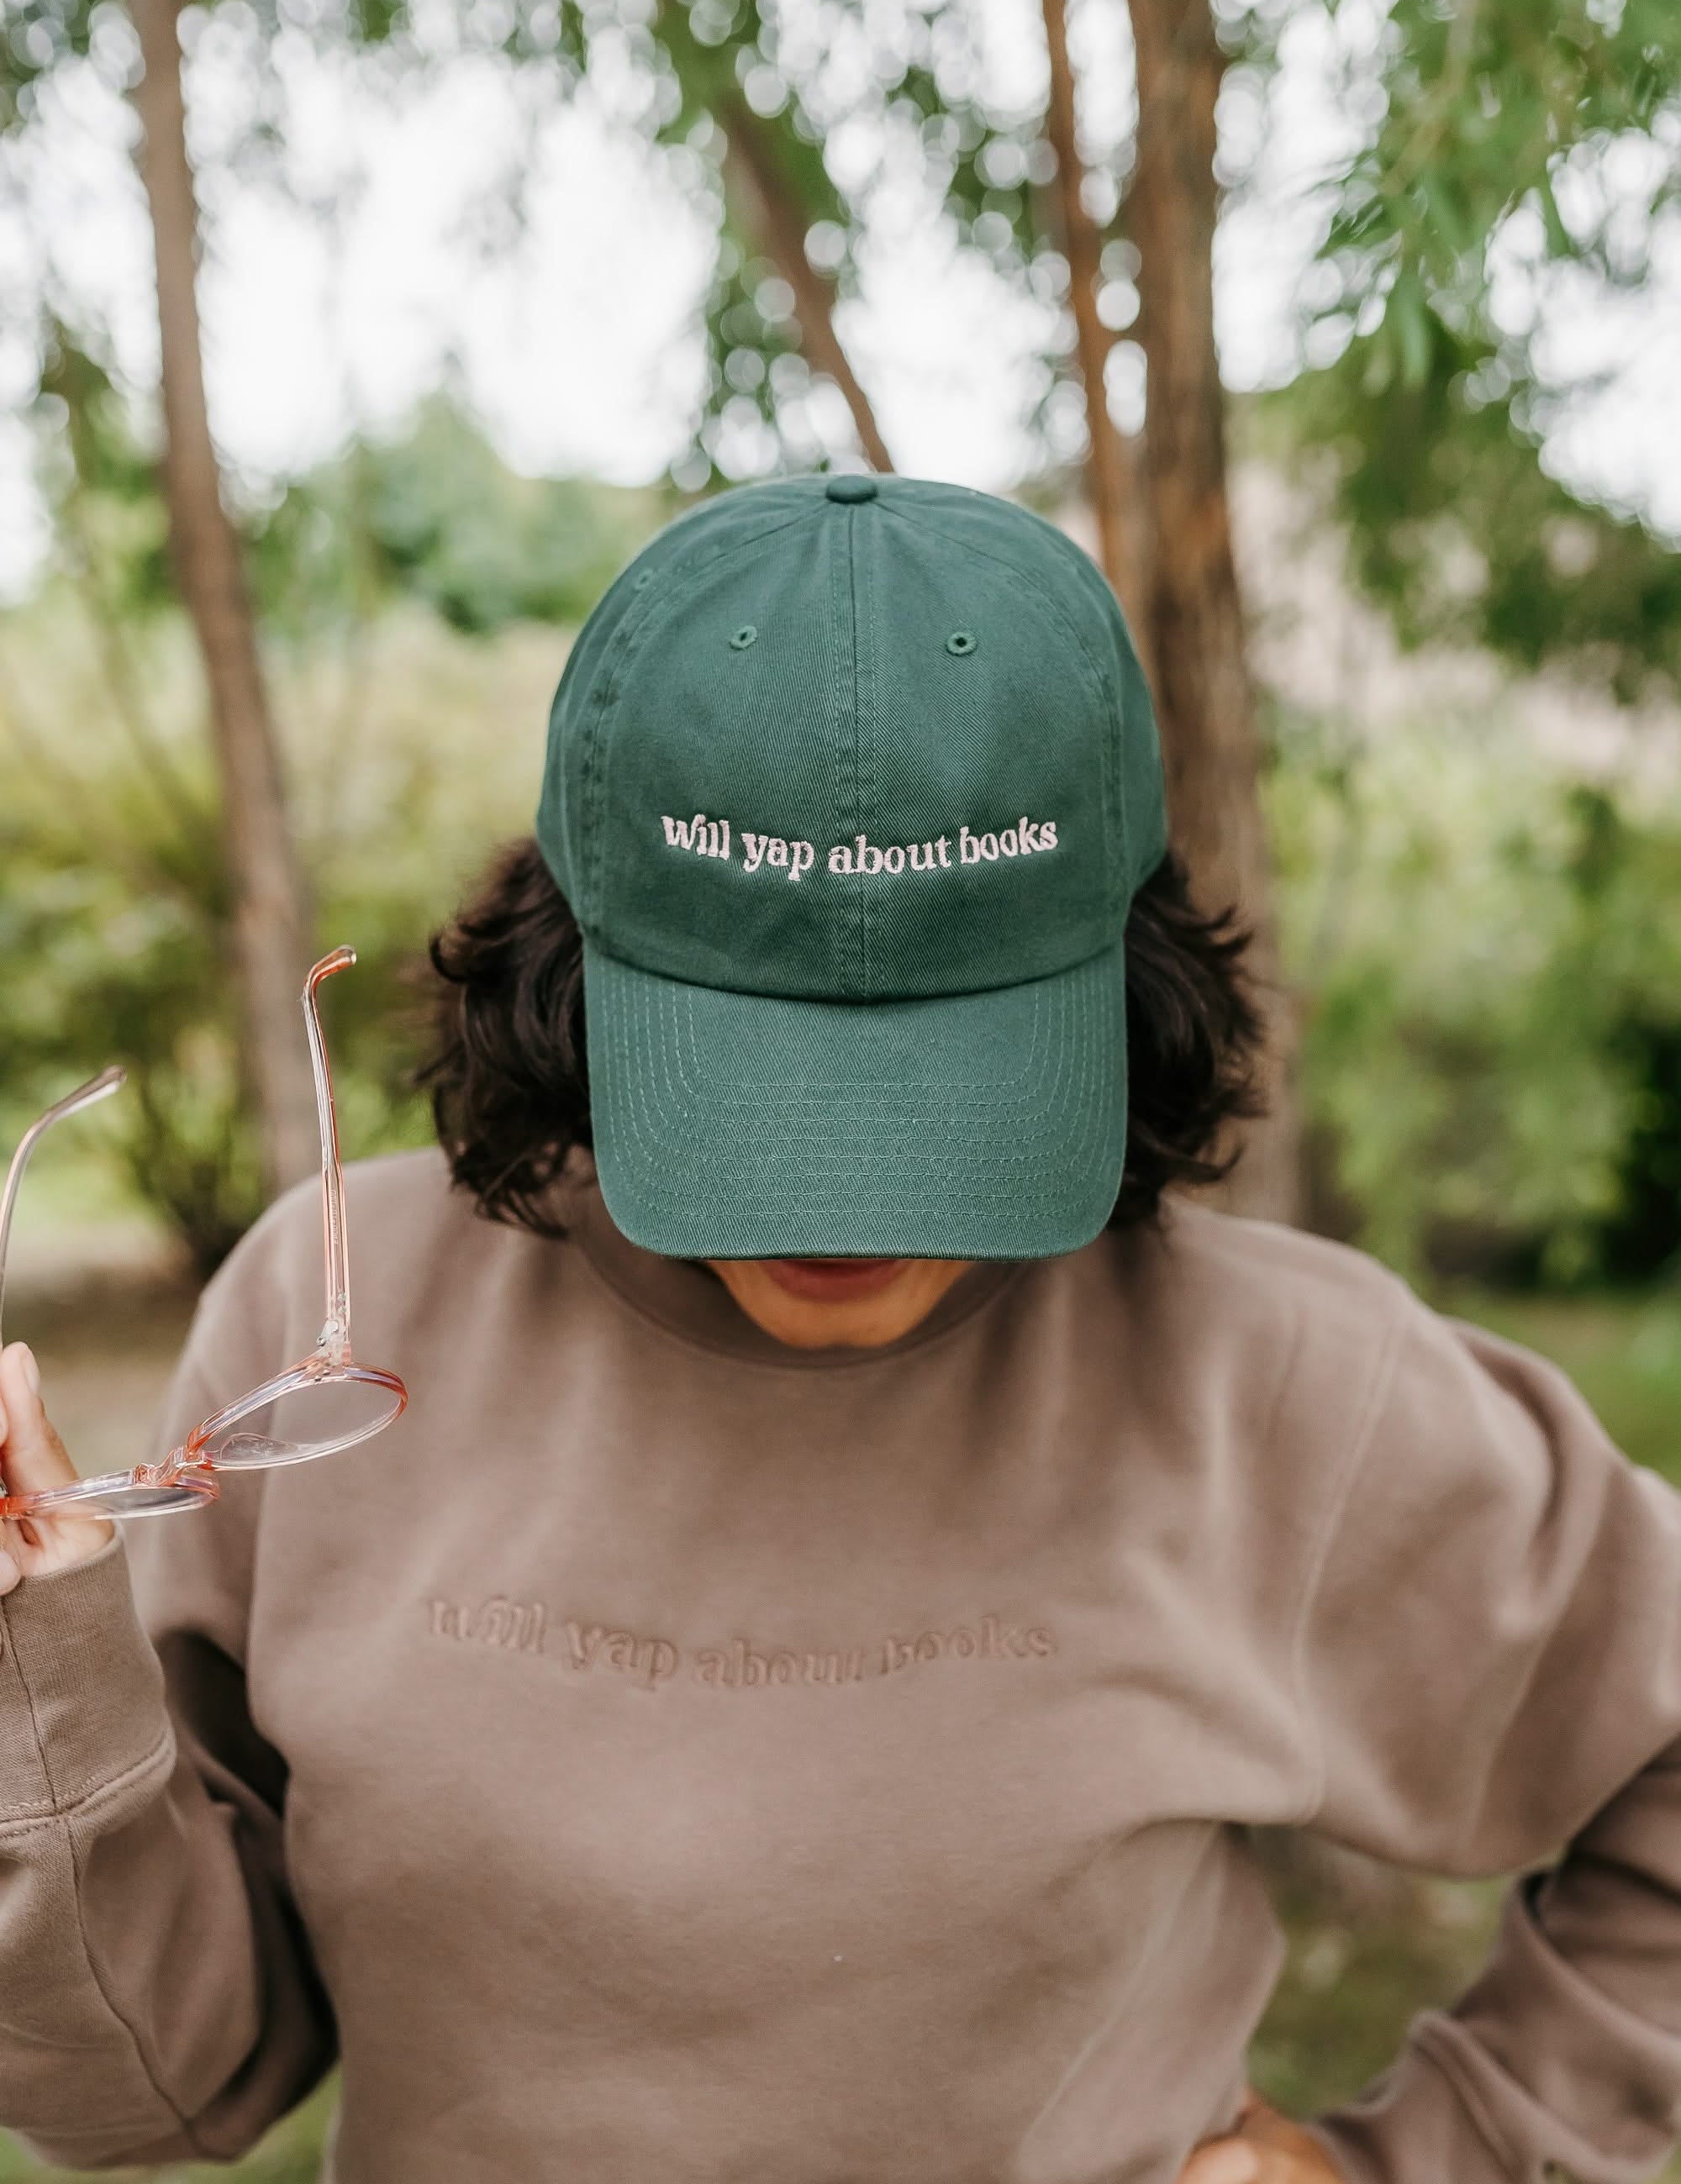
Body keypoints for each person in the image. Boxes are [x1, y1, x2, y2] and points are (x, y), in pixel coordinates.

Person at [2, 472, 1680, 2184]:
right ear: (571, 969)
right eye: (755, 1090)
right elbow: (152, 2094)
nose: (845, 1207)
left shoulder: (1278, 1384)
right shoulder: (333, 1331)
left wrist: (1450, 2151)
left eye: (940, 1100)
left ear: (1118, 986)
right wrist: (28, 1671)